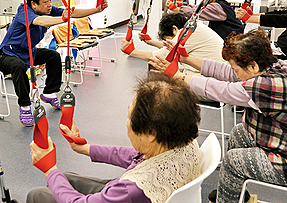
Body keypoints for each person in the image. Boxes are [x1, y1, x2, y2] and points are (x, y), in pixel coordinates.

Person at [149, 29, 287, 203]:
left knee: (233, 162)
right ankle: (236, 193)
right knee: (240, 132)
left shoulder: (265, 86)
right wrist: (187, 59)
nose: (235, 74)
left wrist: (179, 76)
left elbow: (220, 90)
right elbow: (226, 72)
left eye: (238, 70)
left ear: (252, 65)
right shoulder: (273, 66)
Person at [27, 73, 203, 203]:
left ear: (150, 133)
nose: (126, 123)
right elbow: (133, 155)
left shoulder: (130, 189)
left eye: (129, 116)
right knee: (64, 177)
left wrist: (49, 168)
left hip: (126, 196)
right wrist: (84, 148)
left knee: (36, 195)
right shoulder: (183, 140)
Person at [0, 0, 108, 126]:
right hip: (7, 54)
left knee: (53, 56)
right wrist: (63, 19)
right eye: (45, 1)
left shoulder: (46, 10)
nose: (49, 4)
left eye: (50, 0)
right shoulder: (24, 11)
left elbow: (72, 13)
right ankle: (24, 106)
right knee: (19, 67)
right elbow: (39, 21)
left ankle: (48, 93)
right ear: (34, 4)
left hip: (28, 53)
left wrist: (97, 9)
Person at [120, 12, 224, 77]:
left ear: (175, 29)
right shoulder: (195, 28)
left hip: (210, 80)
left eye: (168, 39)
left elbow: (161, 55)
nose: (166, 42)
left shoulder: (186, 34)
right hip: (217, 76)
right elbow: (172, 47)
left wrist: (132, 51)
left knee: (159, 74)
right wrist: (151, 42)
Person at [166, 0, 244, 39]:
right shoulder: (218, 4)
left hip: (232, 38)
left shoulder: (217, 7)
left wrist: (179, 9)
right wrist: (182, 6)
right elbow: (198, 7)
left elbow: (199, 12)